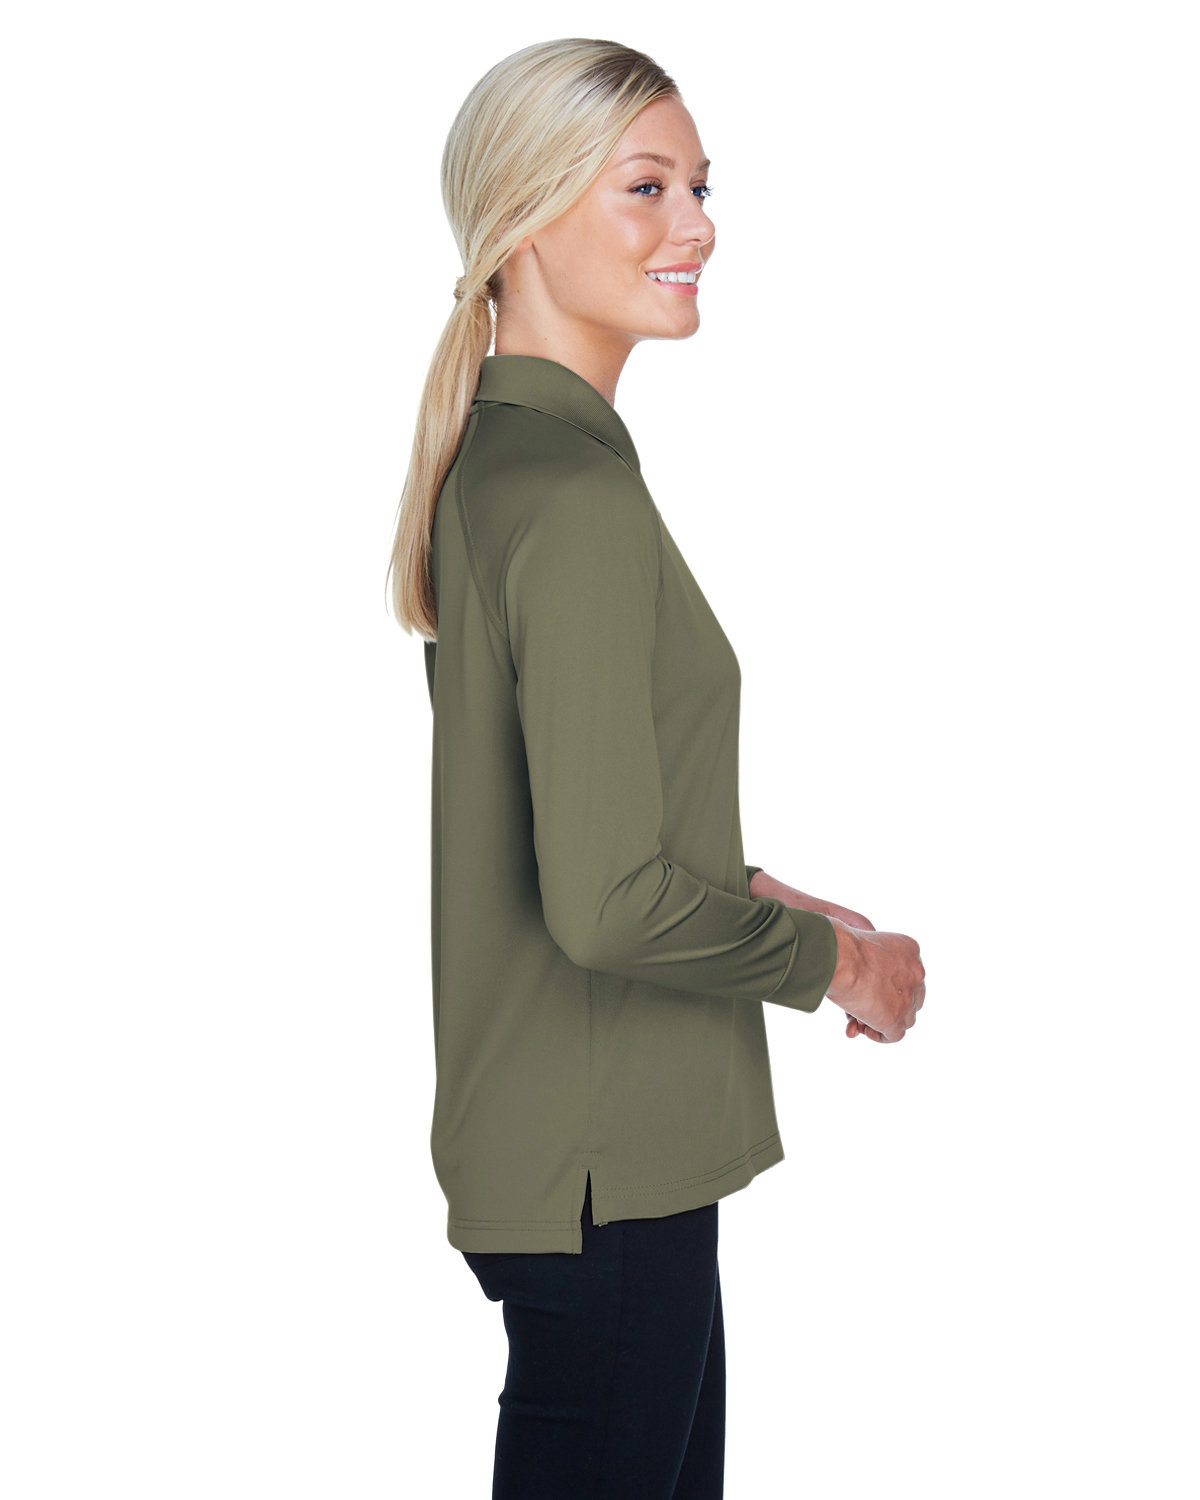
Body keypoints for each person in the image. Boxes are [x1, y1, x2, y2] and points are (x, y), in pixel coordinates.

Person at [386, 37, 926, 1500]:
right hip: (605, 1172)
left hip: (589, 1164)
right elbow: (608, 902)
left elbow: (577, 819)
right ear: (524, 216)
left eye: (700, 186)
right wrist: (841, 967)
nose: (696, 225)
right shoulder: (569, 499)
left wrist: (776, 896)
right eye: (646, 187)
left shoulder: (511, 469)